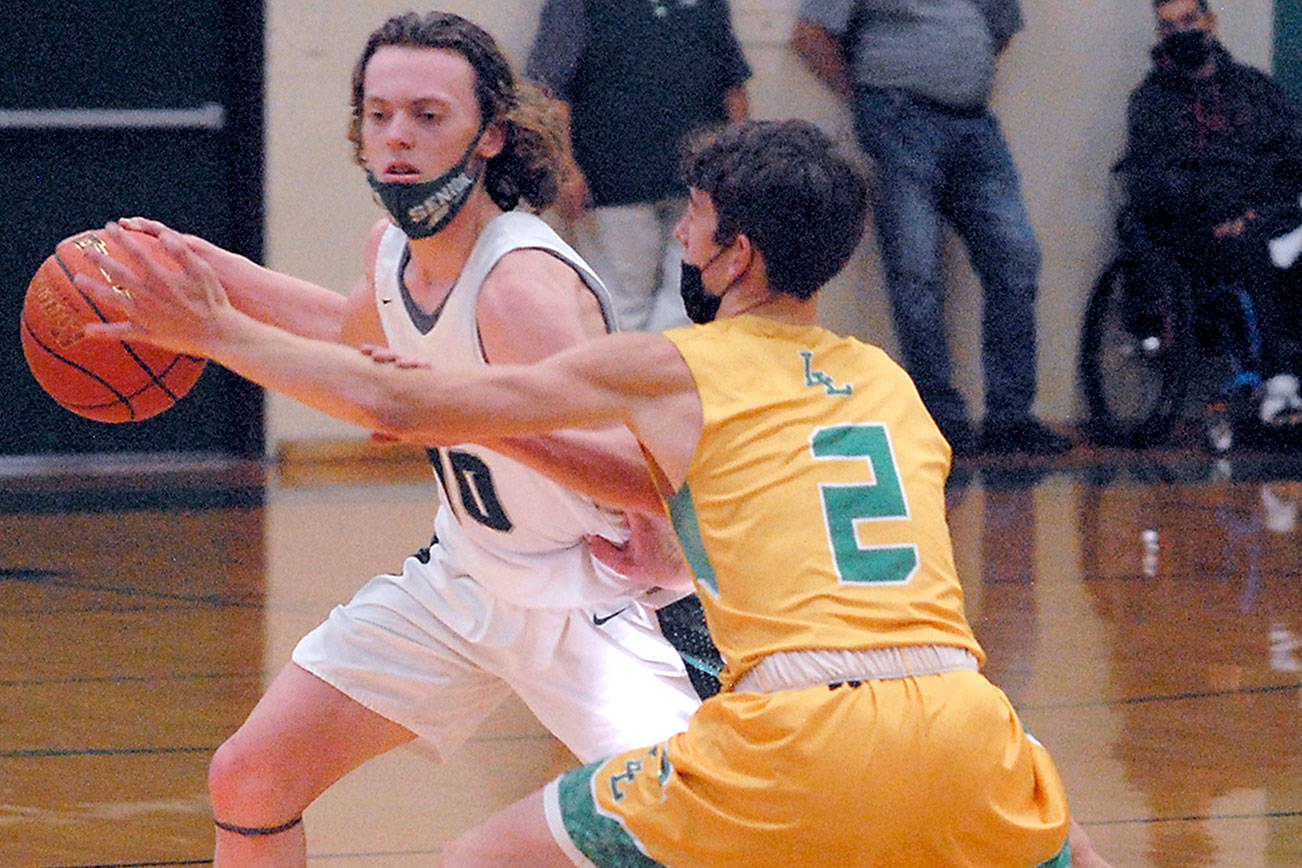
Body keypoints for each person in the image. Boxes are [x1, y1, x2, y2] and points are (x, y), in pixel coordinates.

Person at [80, 119, 1114, 867]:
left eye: (695, 221)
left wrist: (217, 332)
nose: (680, 238)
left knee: (479, 861)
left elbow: (403, 408)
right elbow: (750, 503)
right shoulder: (888, 382)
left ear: (733, 253)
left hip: (800, 733)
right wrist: (652, 526)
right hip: (966, 719)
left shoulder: (680, 367)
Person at [103, 12, 706, 864]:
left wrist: (454, 412)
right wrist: (201, 267)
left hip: (596, 603)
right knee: (250, 775)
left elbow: (647, 477)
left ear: (491, 133)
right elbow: (352, 336)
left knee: (704, 832)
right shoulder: (393, 249)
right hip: (468, 580)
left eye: (428, 116)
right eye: (380, 114)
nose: (398, 138)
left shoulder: (518, 286)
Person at [791, 0, 1072, 458]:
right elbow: (811, 34)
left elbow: (1000, 31)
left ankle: (1010, 419)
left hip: (974, 124)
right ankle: (941, 419)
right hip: (898, 118)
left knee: (1016, 259)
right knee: (915, 273)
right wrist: (867, 101)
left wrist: (961, 73)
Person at [1122, 0, 1302, 426]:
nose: (1182, 33)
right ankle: (1279, 380)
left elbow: (1293, 152)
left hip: (1268, 212)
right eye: (1169, 27)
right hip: (1198, 231)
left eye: (1190, 20)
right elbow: (1156, 179)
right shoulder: (1151, 102)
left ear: (1211, 22)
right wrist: (1216, 214)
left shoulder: (1255, 89)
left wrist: (1264, 208)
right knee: (1252, 246)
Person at [525, 0, 751, 333]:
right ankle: (621, 381)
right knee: (621, 305)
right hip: (612, 179)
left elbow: (732, 83)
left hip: (701, 184)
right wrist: (564, 167)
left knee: (690, 304)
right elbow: (551, 88)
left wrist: (741, 167)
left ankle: (662, 380)